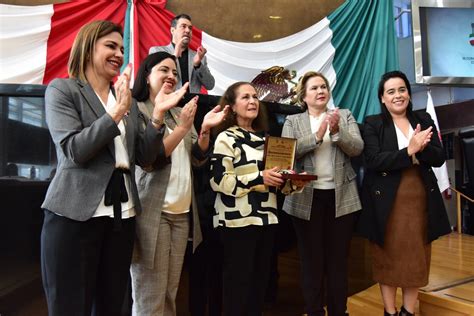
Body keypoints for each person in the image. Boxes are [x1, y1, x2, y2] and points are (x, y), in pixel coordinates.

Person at [40, 20, 168, 316]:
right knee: (70, 307)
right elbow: (75, 151)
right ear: (87, 49)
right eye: (110, 46)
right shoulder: (64, 90)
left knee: (112, 306)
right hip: (74, 217)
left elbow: (147, 158)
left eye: (122, 49)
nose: (119, 54)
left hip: (120, 219)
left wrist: (158, 116)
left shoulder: (128, 102)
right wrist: (115, 114)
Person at [130, 51, 228, 316]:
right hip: (153, 212)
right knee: (150, 295)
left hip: (182, 214)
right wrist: (184, 129)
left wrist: (204, 130)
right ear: (147, 75)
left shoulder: (177, 112)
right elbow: (149, 160)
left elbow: (197, 159)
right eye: (164, 70)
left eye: (175, 72)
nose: (171, 76)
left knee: (170, 294)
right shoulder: (136, 109)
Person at [357, 70, 451, 316]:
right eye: (391, 92)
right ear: (383, 98)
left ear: (409, 93)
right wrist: (408, 150)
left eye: (402, 89)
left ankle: (408, 312)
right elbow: (374, 160)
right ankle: (389, 311)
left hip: (419, 198)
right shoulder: (373, 123)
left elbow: (439, 158)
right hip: (385, 202)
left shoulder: (424, 117)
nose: (397, 95)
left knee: (416, 255)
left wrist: (421, 149)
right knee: (387, 256)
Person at [210, 81, 307, 316]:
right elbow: (219, 181)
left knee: (259, 288)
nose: (253, 101)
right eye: (245, 97)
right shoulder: (225, 137)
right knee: (238, 288)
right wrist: (259, 177)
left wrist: (293, 182)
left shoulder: (268, 141)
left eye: (255, 97)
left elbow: (275, 186)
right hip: (237, 222)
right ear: (232, 106)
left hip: (267, 220)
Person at [281, 71, 363, 316]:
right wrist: (317, 136)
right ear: (303, 96)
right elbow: (287, 154)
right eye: (314, 88)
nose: (320, 91)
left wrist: (336, 132)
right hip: (306, 199)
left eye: (323, 86)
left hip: (342, 198)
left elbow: (357, 148)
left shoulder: (344, 115)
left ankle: (340, 311)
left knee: (338, 262)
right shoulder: (293, 122)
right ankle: (314, 311)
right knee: (311, 262)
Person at [149, 13, 215, 93]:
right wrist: (174, 56)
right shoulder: (157, 51)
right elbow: (154, 79)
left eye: (190, 28)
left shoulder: (199, 57)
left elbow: (210, 85)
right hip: (167, 103)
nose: (188, 30)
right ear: (173, 30)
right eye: (183, 26)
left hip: (192, 104)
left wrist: (198, 65)